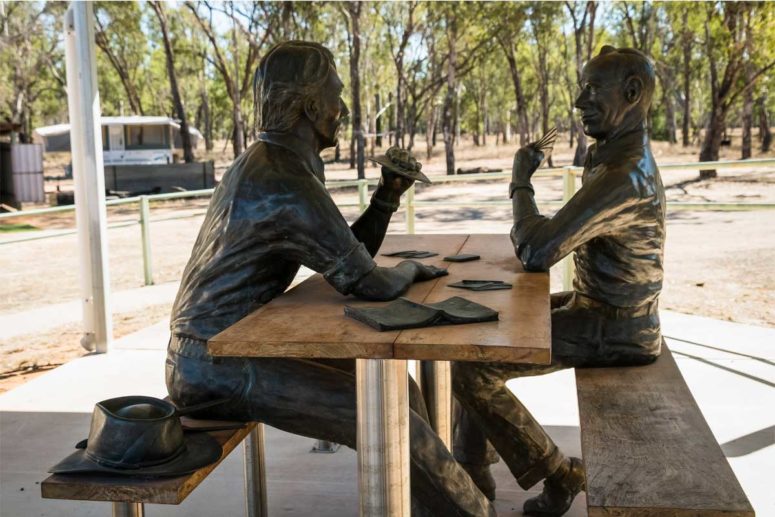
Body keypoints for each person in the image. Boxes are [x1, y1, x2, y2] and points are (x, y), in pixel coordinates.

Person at [166, 41, 494, 516]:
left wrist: (385, 197)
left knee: (400, 394)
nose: (342, 109)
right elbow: (371, 283)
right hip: (215, 362)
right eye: (336, 96)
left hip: (230, 347)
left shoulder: (272, 160)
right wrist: (412, 269)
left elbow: (344, 255)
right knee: (380, 416)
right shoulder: (283, 180)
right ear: (311, 106)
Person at [452, 46, 666, 516]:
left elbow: (536, 253)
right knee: (477, 330)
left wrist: (520, 182)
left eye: (592, 89)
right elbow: (551, 237)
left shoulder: (623, 175)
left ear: (631, 93)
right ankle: (470, 463)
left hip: (616, 328)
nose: (578, 100)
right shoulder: (613, 156)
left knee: (471, 367)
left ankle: (559, 475)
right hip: (604, 308)